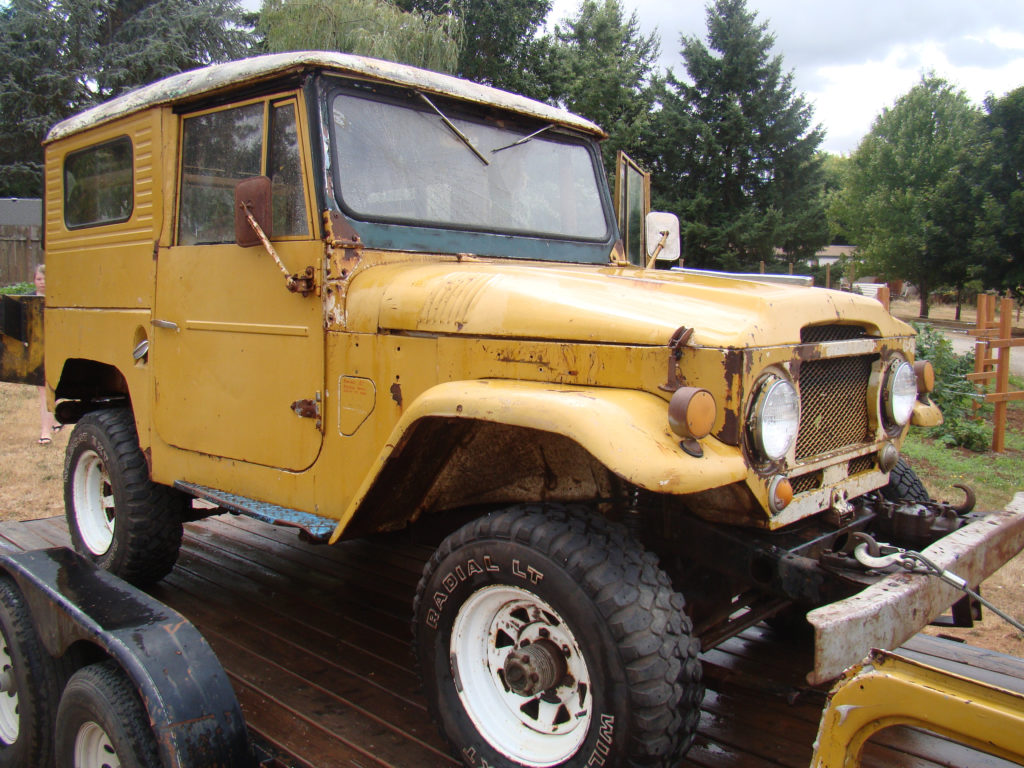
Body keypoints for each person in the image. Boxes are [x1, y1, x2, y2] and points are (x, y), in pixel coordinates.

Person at [34, 264, 61, 445]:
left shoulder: (58, 301)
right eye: (38, 279)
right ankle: (47, 429)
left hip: (56, 350)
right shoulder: (28, 302)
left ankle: (53, 423)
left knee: (54, 388)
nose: (42, 282)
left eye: (45, 279)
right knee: (43, 389)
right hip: (38, 350)